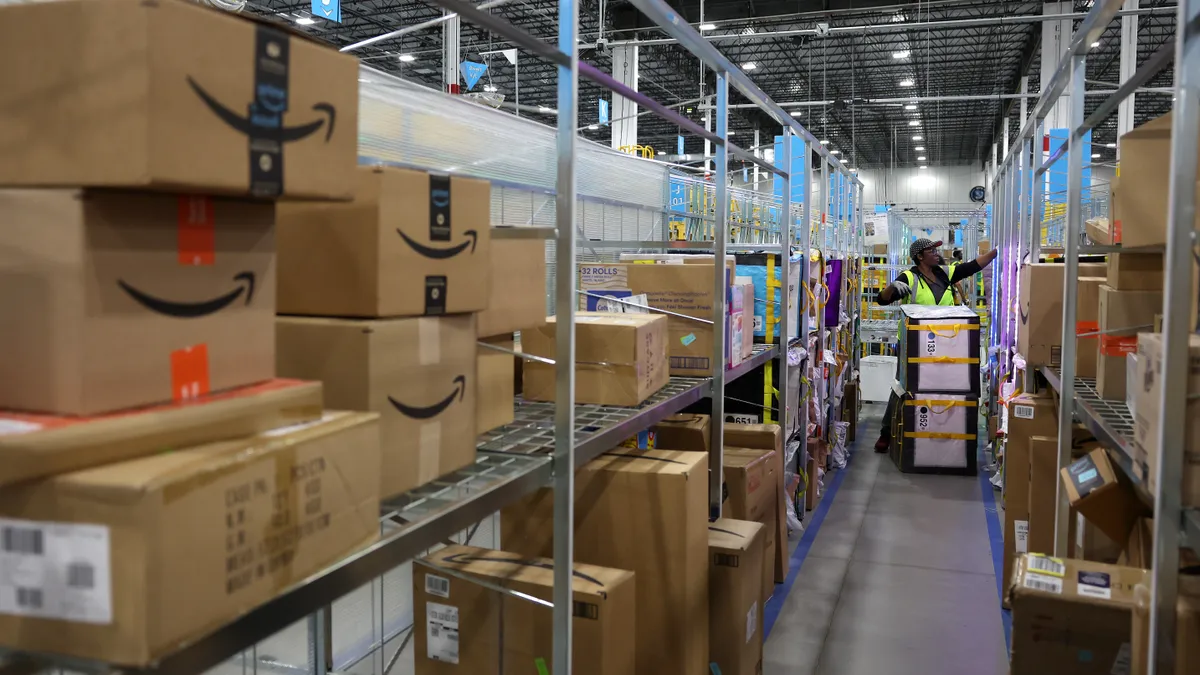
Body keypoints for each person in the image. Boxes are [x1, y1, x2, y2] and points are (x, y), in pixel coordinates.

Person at [873, 238, 999, 453]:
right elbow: (882, 300)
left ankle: (936, 428)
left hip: (945, 341)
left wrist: (997, 252)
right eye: (931, 250)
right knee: (903, 386)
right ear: (920, 256)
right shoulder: (909, 277)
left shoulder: (945, 273)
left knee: (941, 384)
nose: (936, 253)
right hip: (912, 343)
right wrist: (891, 287)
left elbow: (972, 266)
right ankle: (886, 432)